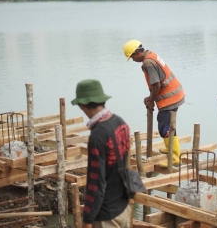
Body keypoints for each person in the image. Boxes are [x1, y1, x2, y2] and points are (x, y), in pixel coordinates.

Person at [71, 79, 131, 228]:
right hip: (123, 208)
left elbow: (96, 183)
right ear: (102, 100)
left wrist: (87, 220)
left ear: (82, 105)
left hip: (106, 217)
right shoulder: (120, 122)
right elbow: (126, 165)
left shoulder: (97, 136)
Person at [122, 40, 185, 168]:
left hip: (170, 98)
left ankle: (174, 157)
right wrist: (150, 97)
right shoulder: (151, 55)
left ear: (138, 52)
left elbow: (157, 85)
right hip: (175, 94)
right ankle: (171, 149)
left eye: (133, 56)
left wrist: (151, 101)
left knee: (165, 128)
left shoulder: (147, 63)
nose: (133, 60)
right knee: (166, 124)